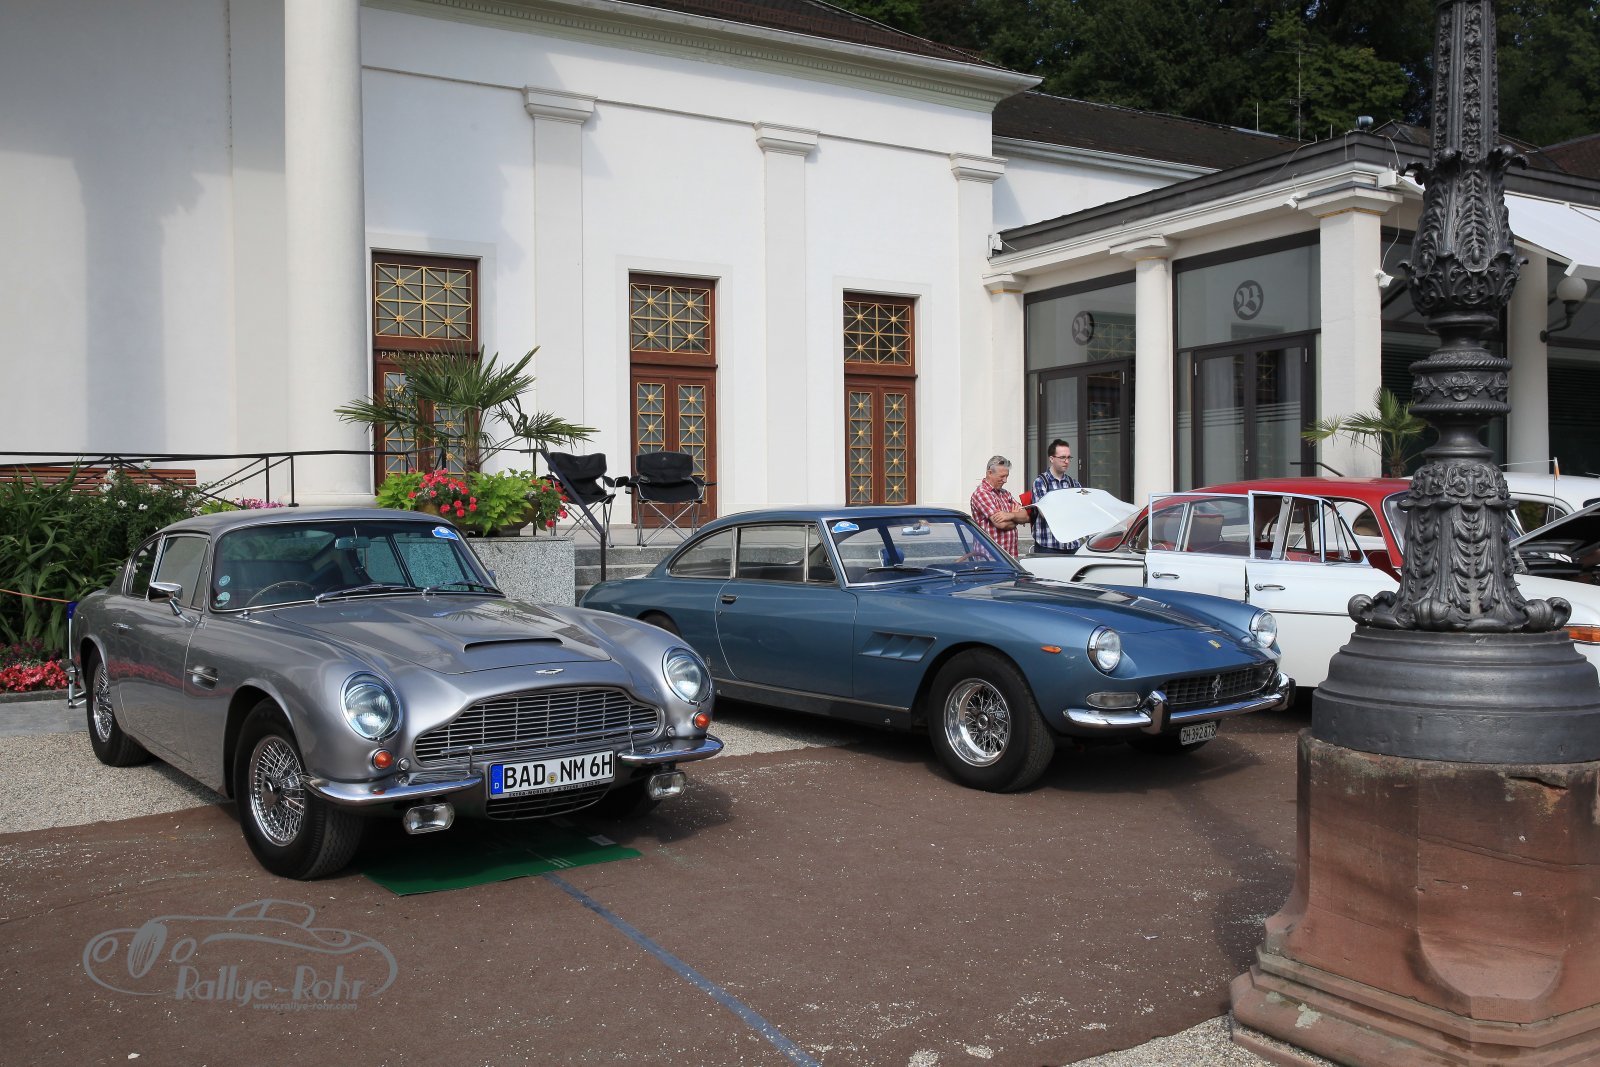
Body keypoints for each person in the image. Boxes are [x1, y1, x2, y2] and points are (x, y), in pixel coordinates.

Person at [969, 455, 1029, 557]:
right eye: (1002, 476)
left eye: (1007, 476)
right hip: (990, 558)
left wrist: (1011, 515)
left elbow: (1026, 516)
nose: (1005, 480)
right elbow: (1001, 524)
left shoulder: (1006, 494)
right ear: (990, 473)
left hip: (1010, 557)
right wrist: (1017, 520)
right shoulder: (982, 493)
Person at [1030, 438, 1083, 554]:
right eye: (1062, 457)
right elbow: (1045, 513)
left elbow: (1081, 511)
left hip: (1072, 545)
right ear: (1051, 459)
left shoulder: (1074, 483)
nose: (1066, 461)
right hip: (1048, 545)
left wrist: (1057, 507)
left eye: (1068, 457)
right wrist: (1070, 508)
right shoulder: (1040, 482)